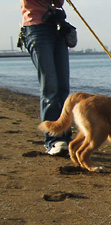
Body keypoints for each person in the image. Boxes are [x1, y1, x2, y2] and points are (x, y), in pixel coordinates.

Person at [19, 0, 72, 155]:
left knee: (63, 88)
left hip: (56, 26)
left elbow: (58, 2)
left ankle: (64, 137)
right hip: (36, 28)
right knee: (50, 88)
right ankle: (53, 141)